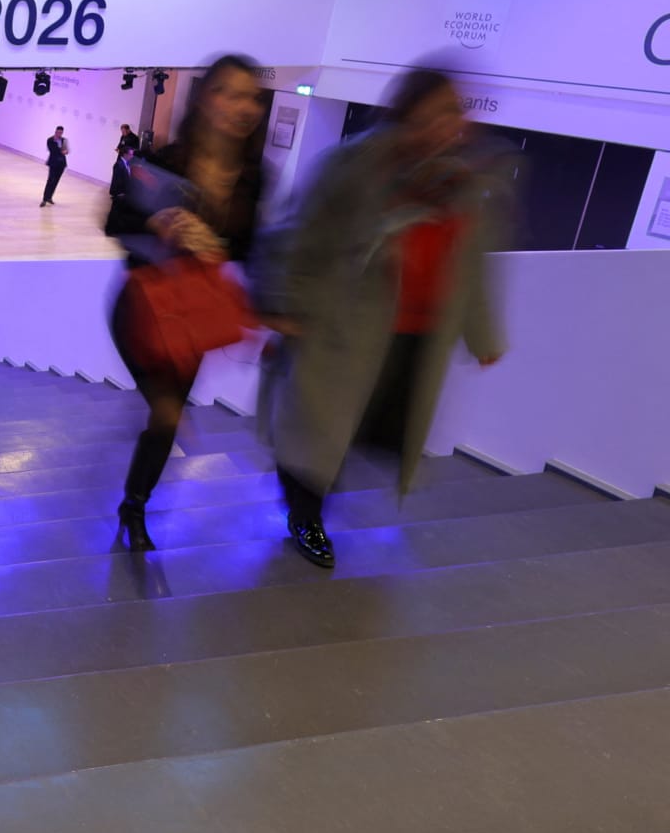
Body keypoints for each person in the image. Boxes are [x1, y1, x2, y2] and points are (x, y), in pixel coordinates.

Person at [262, 67, 509, 569]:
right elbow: (298, 233)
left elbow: (471, 264)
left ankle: (312, 485)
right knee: (321, 427)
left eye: (455, 112)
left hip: (415, 336)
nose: (451, 123)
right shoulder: (355, 165)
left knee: (361, 428)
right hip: (342, 326)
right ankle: (304, 513)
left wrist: (482, 334)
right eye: (439, 110)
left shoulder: (461, 182)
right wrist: (283, 303)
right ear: (408, 112)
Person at [104, 55, 271, 553]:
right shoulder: (166, 161)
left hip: (194, 313)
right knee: (167, 411)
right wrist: (159, 226)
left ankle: (134, 503)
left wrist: (216, 247)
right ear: (203, 99)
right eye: (230, 93)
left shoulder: (255, 178)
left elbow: (251, 248)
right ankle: (134, 508)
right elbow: (116, 225)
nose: (244, 107)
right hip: (145, 303)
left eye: (253, 97)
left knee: (168, 414)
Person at [42, 126, 69, 207]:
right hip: (53, 163)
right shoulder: (50, 140)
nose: (59, 134)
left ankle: (50, 197)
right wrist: (62, 151)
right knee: (50, 180)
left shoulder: (64, 140)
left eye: (61, 133)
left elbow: (66, 150)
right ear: (55, 131)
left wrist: (65, 151)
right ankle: (44, 199)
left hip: (61, 164)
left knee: (56, 181)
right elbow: (52, 150)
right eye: (58, 132)